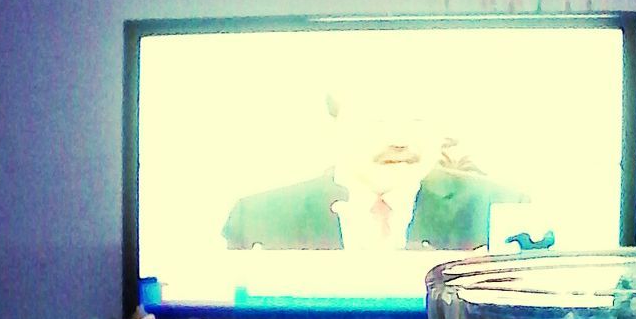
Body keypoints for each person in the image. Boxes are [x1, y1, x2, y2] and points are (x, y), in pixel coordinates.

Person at [221, 90, 527, 252]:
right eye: (377, 122)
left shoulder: (499, 208)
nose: (399, 141)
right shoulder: (259, 218)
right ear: (335, 127)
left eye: (418, 121)